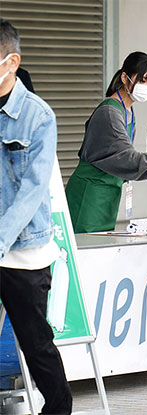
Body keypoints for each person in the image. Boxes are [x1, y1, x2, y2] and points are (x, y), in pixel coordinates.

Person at [0, 19, 72, 414]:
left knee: (35, 343)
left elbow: (31, 191)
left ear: (12, 61)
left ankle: (59, 406)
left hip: (23, 250)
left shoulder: (38, 116)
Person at [65, 52, 147, 233]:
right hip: (90, 194)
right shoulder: (110, 112)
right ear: (125, 78)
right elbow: (124, 156)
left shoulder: (128, 111)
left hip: (108, 194)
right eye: (142, 80)